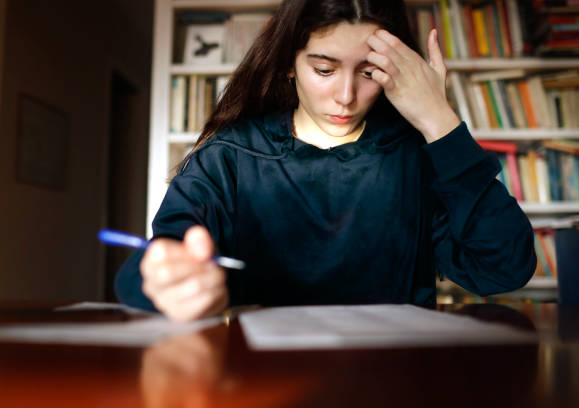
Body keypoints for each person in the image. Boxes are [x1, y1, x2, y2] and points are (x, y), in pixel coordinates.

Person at [115, 0, 536, 321]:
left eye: (369, 72)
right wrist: (164, 282)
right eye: (324, 69)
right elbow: (154, 264)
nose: (346, 96)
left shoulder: (419, 158)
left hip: (396, 381)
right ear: (289, 66)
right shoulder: (229, 158)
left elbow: (503, 269)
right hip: (262, 382)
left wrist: (441, 122)